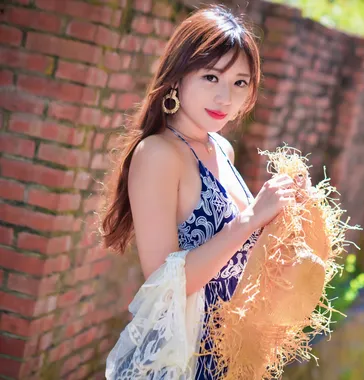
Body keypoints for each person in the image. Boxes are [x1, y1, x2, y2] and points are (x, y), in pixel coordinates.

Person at [100, 5, 297, 379]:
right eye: (211, 77)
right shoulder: (158, 153)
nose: (226, 97)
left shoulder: (222, 149)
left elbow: (236, 253)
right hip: (180, 360)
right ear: (177, 77)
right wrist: (252, 217)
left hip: (228, 356)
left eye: (240, 83)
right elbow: (163, 285)